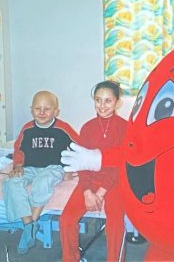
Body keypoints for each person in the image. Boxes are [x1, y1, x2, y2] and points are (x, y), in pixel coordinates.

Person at [2, 90, 80, 255]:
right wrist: (17, 165)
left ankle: (31, 224)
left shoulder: (63, 128)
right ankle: (29, 224)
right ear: (31, 110)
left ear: (55, 111)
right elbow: (18, 149)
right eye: (38, 108)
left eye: (47, 109)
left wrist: (69, 169)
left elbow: (79, 148)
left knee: (43, 183)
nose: (42, 112)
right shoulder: (27, 129)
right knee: (11, 182)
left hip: (53, 167)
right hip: (30, 167)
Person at [59, 80, 127, 262]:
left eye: (108, 101)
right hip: (90, 180)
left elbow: (120, 165)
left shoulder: (125, 128)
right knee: (66, 220)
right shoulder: (87, 127)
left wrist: (102, 191)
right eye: (98, 100)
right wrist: (88, 192)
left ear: (117, 102)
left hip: (115, 181)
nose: (102, 106)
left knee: (115, 224)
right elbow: (81, 164)